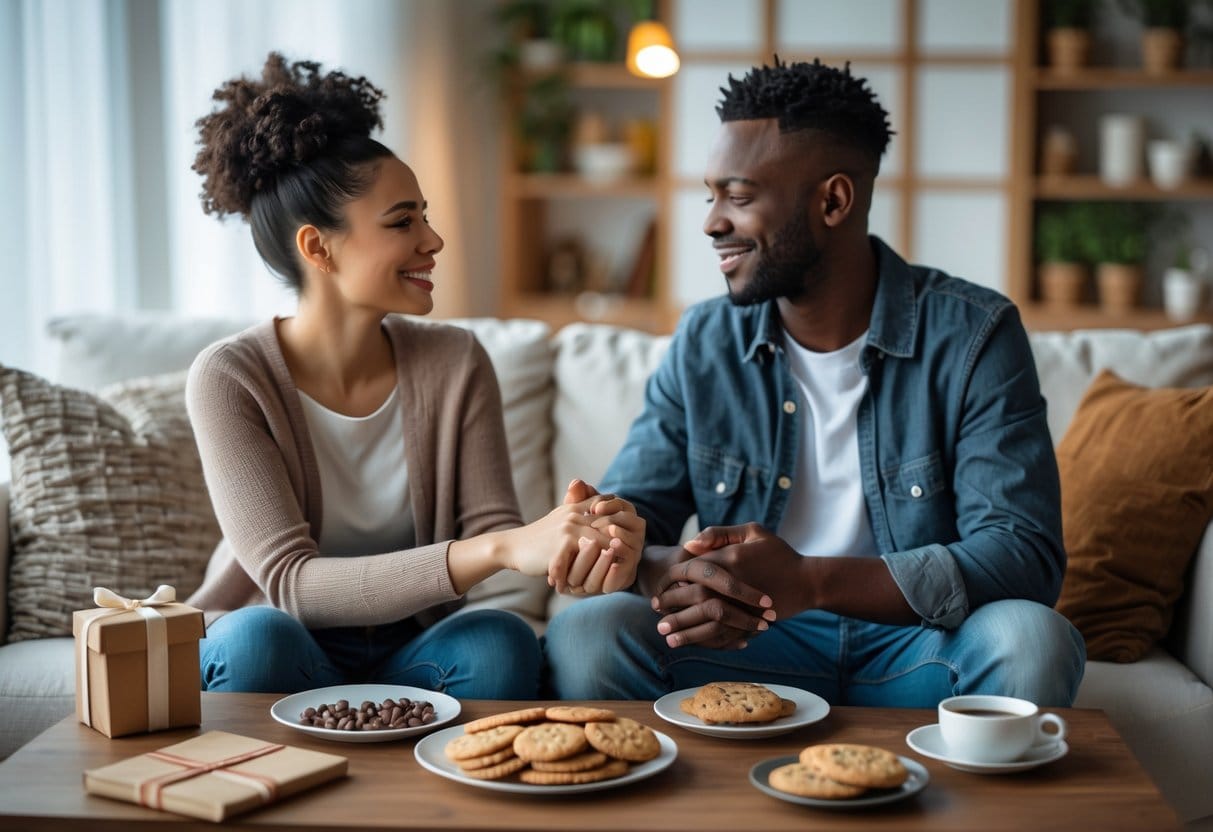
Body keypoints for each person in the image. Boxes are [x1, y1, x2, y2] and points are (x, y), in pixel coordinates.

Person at [544, 58, 1085, 707]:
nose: (711, 222)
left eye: (737, 197)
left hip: (915, 645)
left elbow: (1021, 557)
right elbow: (639, 517)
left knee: (1030, 639)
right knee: (586, 631)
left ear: (832, 200)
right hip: (744, 644)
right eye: (709, 195)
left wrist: (809, 580)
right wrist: (652, 559)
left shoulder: (973, 334)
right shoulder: (705, 341)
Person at [186, 53, 643, 698]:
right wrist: (508, 548)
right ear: (318, 248)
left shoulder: (457, 360)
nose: (433, 240)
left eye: (424, 215)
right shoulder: (231, 377)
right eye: (404, 221)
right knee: (254, 640)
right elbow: (292, 583)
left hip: (416, 648)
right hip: (292, 640)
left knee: (501, 643)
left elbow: (494, 529)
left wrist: (573, 540)